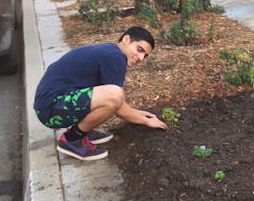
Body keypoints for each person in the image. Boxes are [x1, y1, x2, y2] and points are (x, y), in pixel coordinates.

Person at [34, 26, 167, 161]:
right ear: (126, 39)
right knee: (114, 95)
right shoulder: (115, 57)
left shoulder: (110, 51)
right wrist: (146, 121)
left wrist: (135, 112)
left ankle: (83, 131)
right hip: (50, 108)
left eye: (145, 56)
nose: (140, 58)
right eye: (139, 50)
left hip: (51, 103)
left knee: (112, 95)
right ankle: (72, 140)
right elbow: (116, 101)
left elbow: (116, 101)